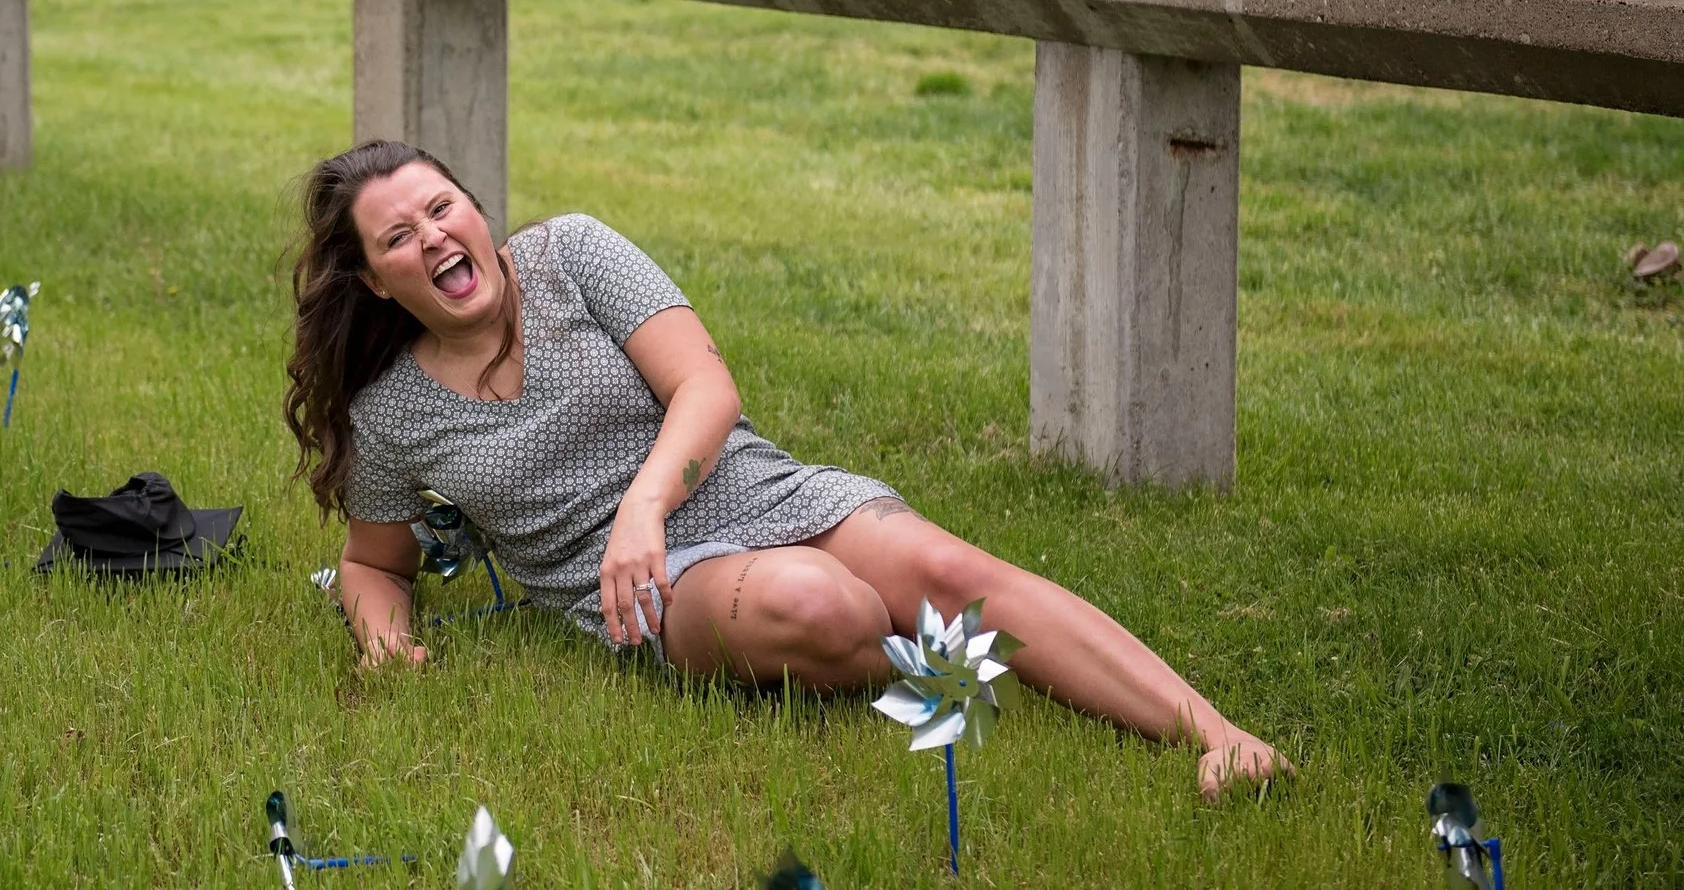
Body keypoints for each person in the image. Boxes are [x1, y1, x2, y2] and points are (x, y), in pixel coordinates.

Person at [283, 140, 1288, 799]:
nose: (436, 236)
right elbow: (376, 564)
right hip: (649, 590)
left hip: (749, 486)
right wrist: (382, 642)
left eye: (441, 206)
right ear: (376, 278)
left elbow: (707, 388)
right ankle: (929, 658)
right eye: (399, 236)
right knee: (822, 605)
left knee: (952, 573)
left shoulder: (571, 253)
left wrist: (645, 498)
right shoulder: (394, 411)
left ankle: (1216, 733)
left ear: (472, 203)